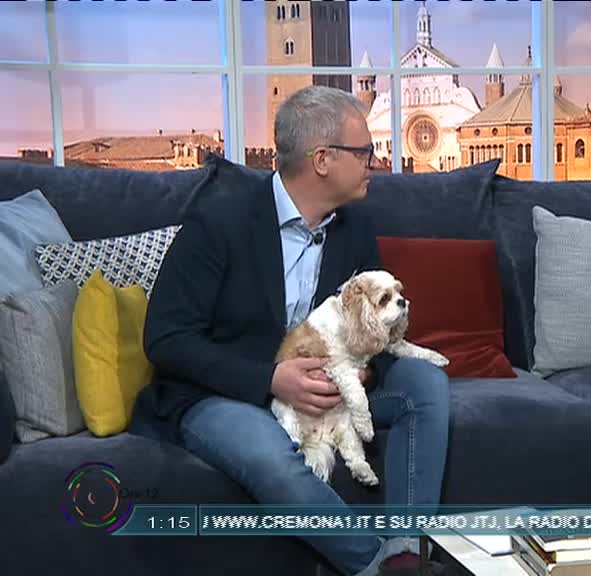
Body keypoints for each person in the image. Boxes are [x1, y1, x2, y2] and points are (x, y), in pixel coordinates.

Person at [130, 85, 450, 576]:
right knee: (268, 454)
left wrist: (362, 373)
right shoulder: (217, 222)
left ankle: (408, 550)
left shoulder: (356, 227)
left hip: (332, 383)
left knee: (423, 383)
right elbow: (166, 338)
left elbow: (374, 330)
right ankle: (374, 564)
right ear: (322, 159)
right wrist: (271, 379)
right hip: (223, 393)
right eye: (363, 152)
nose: (374, 162)